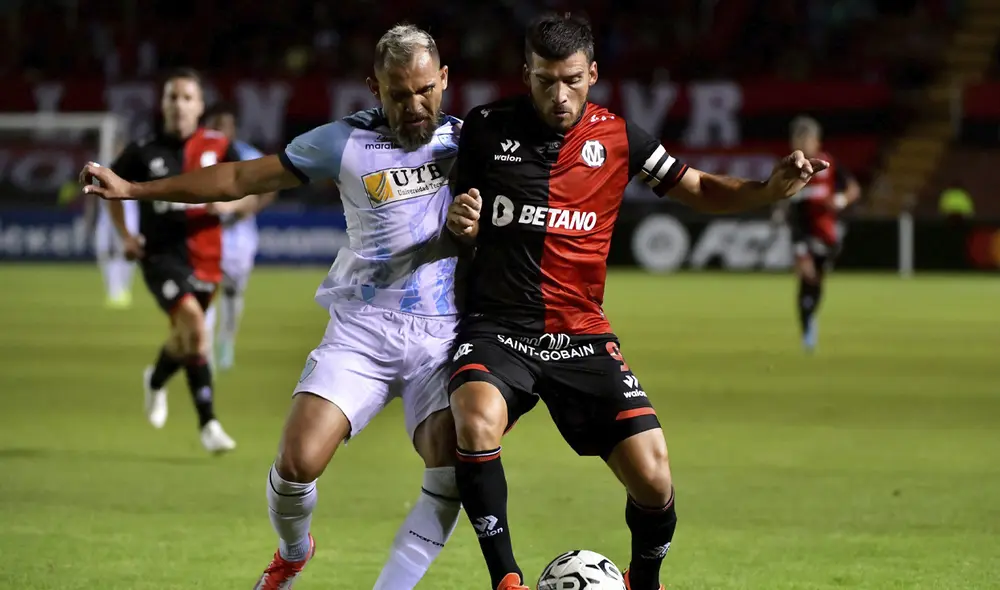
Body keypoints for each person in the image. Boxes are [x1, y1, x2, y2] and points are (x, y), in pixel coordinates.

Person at [444, 14, 830, 590]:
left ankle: (644, 581)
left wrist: (767, 191)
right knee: (476, 424)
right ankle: (507, 581)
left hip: (581, 334)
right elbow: (453, 220)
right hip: (499, 327)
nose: (559, 93)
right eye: (545, 79)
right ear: (526, 74)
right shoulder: (483, 128)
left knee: (653, 477)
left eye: (572, 79)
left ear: (593, 73)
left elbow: (694, 186)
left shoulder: (620, 139)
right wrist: (462, 225)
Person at [82, 24, 464, 590]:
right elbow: (238, 176)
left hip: (443, 333)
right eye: (398, 93)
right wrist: (136, 191)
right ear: (374, 88)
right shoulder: (341, 142)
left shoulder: (472, 139)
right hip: (362, 329)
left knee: (451, 468)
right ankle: (292, 552)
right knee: (296, 464)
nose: (414, 105)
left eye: (425, 90)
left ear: (444, 81)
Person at [97, 67, 238, 452]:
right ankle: (209, 424)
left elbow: (249, 187)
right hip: (160, 256)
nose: (179, 105)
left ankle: (156, 379)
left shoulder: (219, 146)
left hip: (207, 257)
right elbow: (110, 188)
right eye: (172, 97)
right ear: (162, 104)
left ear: (200, 106)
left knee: (186, 340)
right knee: (195, 326)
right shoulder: (144, 149)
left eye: (187, 97)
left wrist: (231, 204)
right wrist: (126, 235)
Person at [200, 102, 277, 371]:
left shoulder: (246, 155)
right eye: (215, 127)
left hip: (238, 239)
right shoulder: (199, 155)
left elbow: (271, 186)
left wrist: (246, 207)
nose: (220, 132)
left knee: (233, 295)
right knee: (204, 293)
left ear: (232, 129)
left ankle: (226, 341)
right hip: (205, 235)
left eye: (224, 127)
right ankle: (204, 350)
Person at [784, 116, 860, 352]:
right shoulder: (790, 168)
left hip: (826, 236)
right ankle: (807, 327)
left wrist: (840, 199)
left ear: (817, 141)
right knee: (806, 276)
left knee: (816, 281)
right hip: (802, 234)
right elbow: (785, 204)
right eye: (800, 139)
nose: (805, 144)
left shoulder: (828, 164)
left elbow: (853, 189)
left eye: (808, 139)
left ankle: (809, 316)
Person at [92, 192, 139, 308]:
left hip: (127, 206)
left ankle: (123, 289)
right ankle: (113, 290)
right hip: (106, 209)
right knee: (104, 250)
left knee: (126, 250)